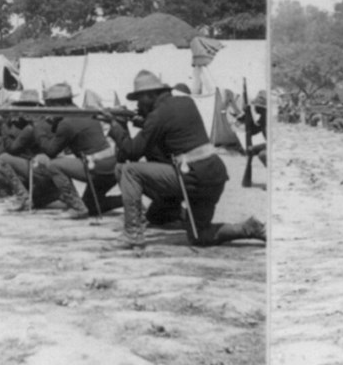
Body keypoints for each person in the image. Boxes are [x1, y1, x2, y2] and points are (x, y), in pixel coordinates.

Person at [108, 70, 266, 250]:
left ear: (150, 95)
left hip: (192, 178)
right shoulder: (186, 102)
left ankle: (133, 234)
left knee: (129, 171)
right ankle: (247, 228)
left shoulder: (157, 116)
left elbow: (130, 153)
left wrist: (116, 127)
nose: (137, 104)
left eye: (139, 98)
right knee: (200, 235)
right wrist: (144, 122)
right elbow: (175, 129)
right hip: (213, 176)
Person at [30, 83, 122, 219]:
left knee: (53, 165)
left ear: (57, 105)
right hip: (110, 166)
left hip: (96, 168)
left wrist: (38, 128)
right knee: (91, 207)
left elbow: (51, 151)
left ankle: (76, 207)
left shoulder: (67, 123)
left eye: (49, 105)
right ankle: (126, 199)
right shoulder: (85, 114)